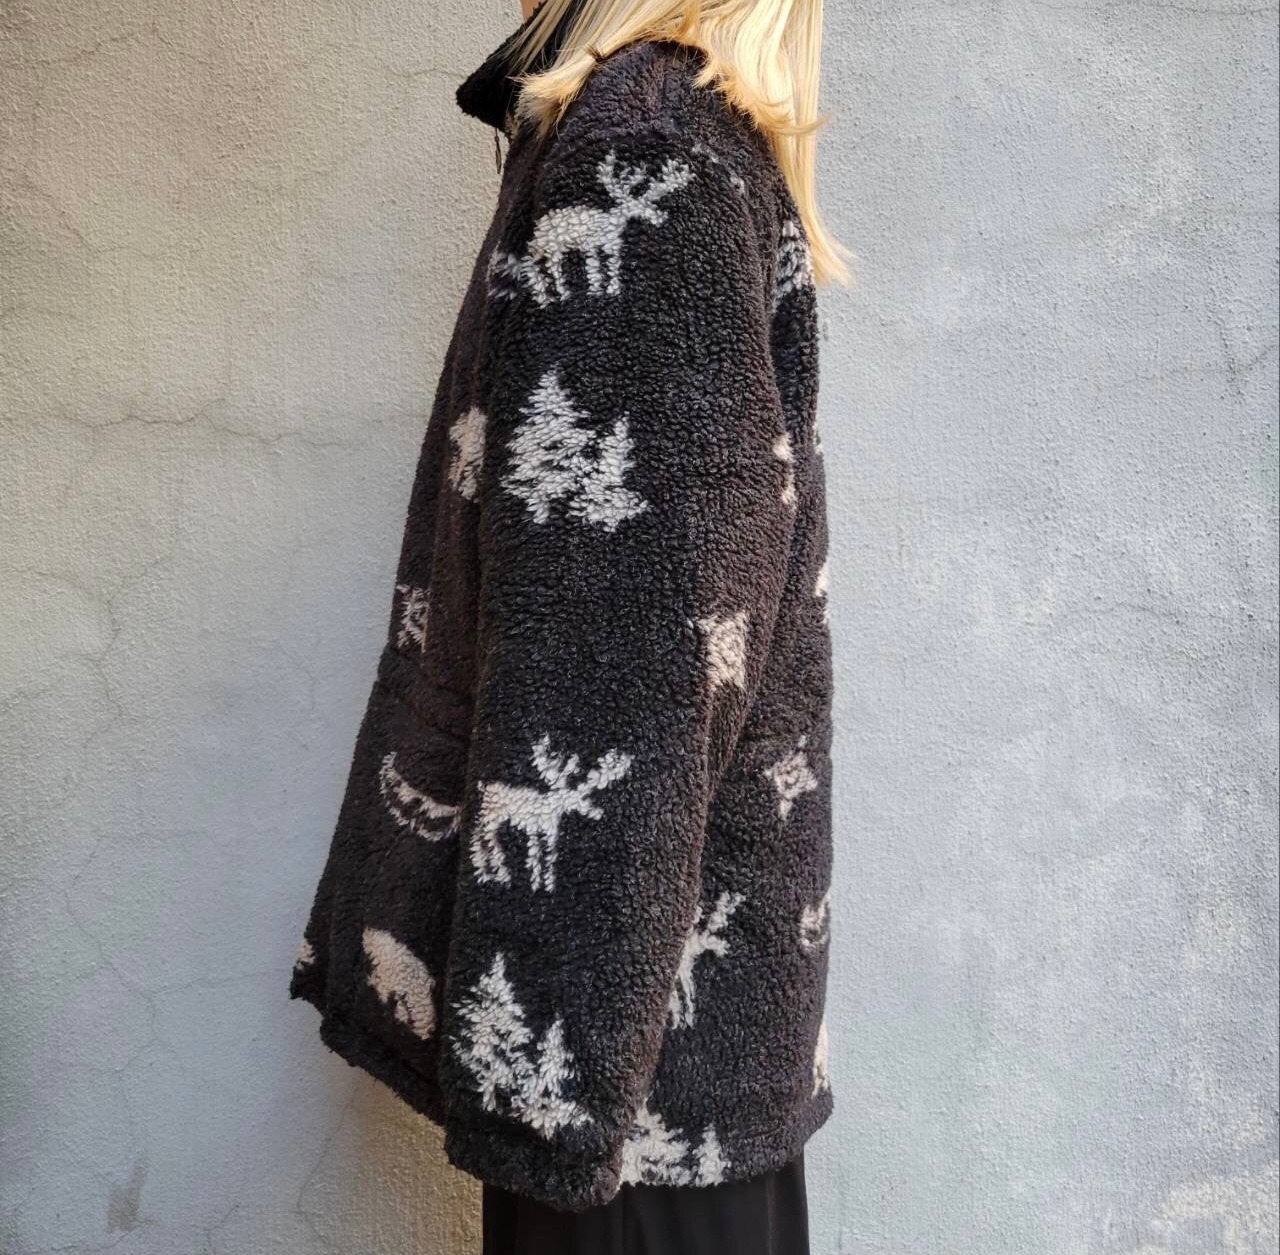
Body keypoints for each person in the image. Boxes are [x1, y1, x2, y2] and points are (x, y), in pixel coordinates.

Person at [289, 1, 849, 1250]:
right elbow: (641, 641)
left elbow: (633, 667)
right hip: (645, 1065)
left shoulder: (651, 149)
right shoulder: (664, 138)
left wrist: (551, 1100)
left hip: (625, 1080)